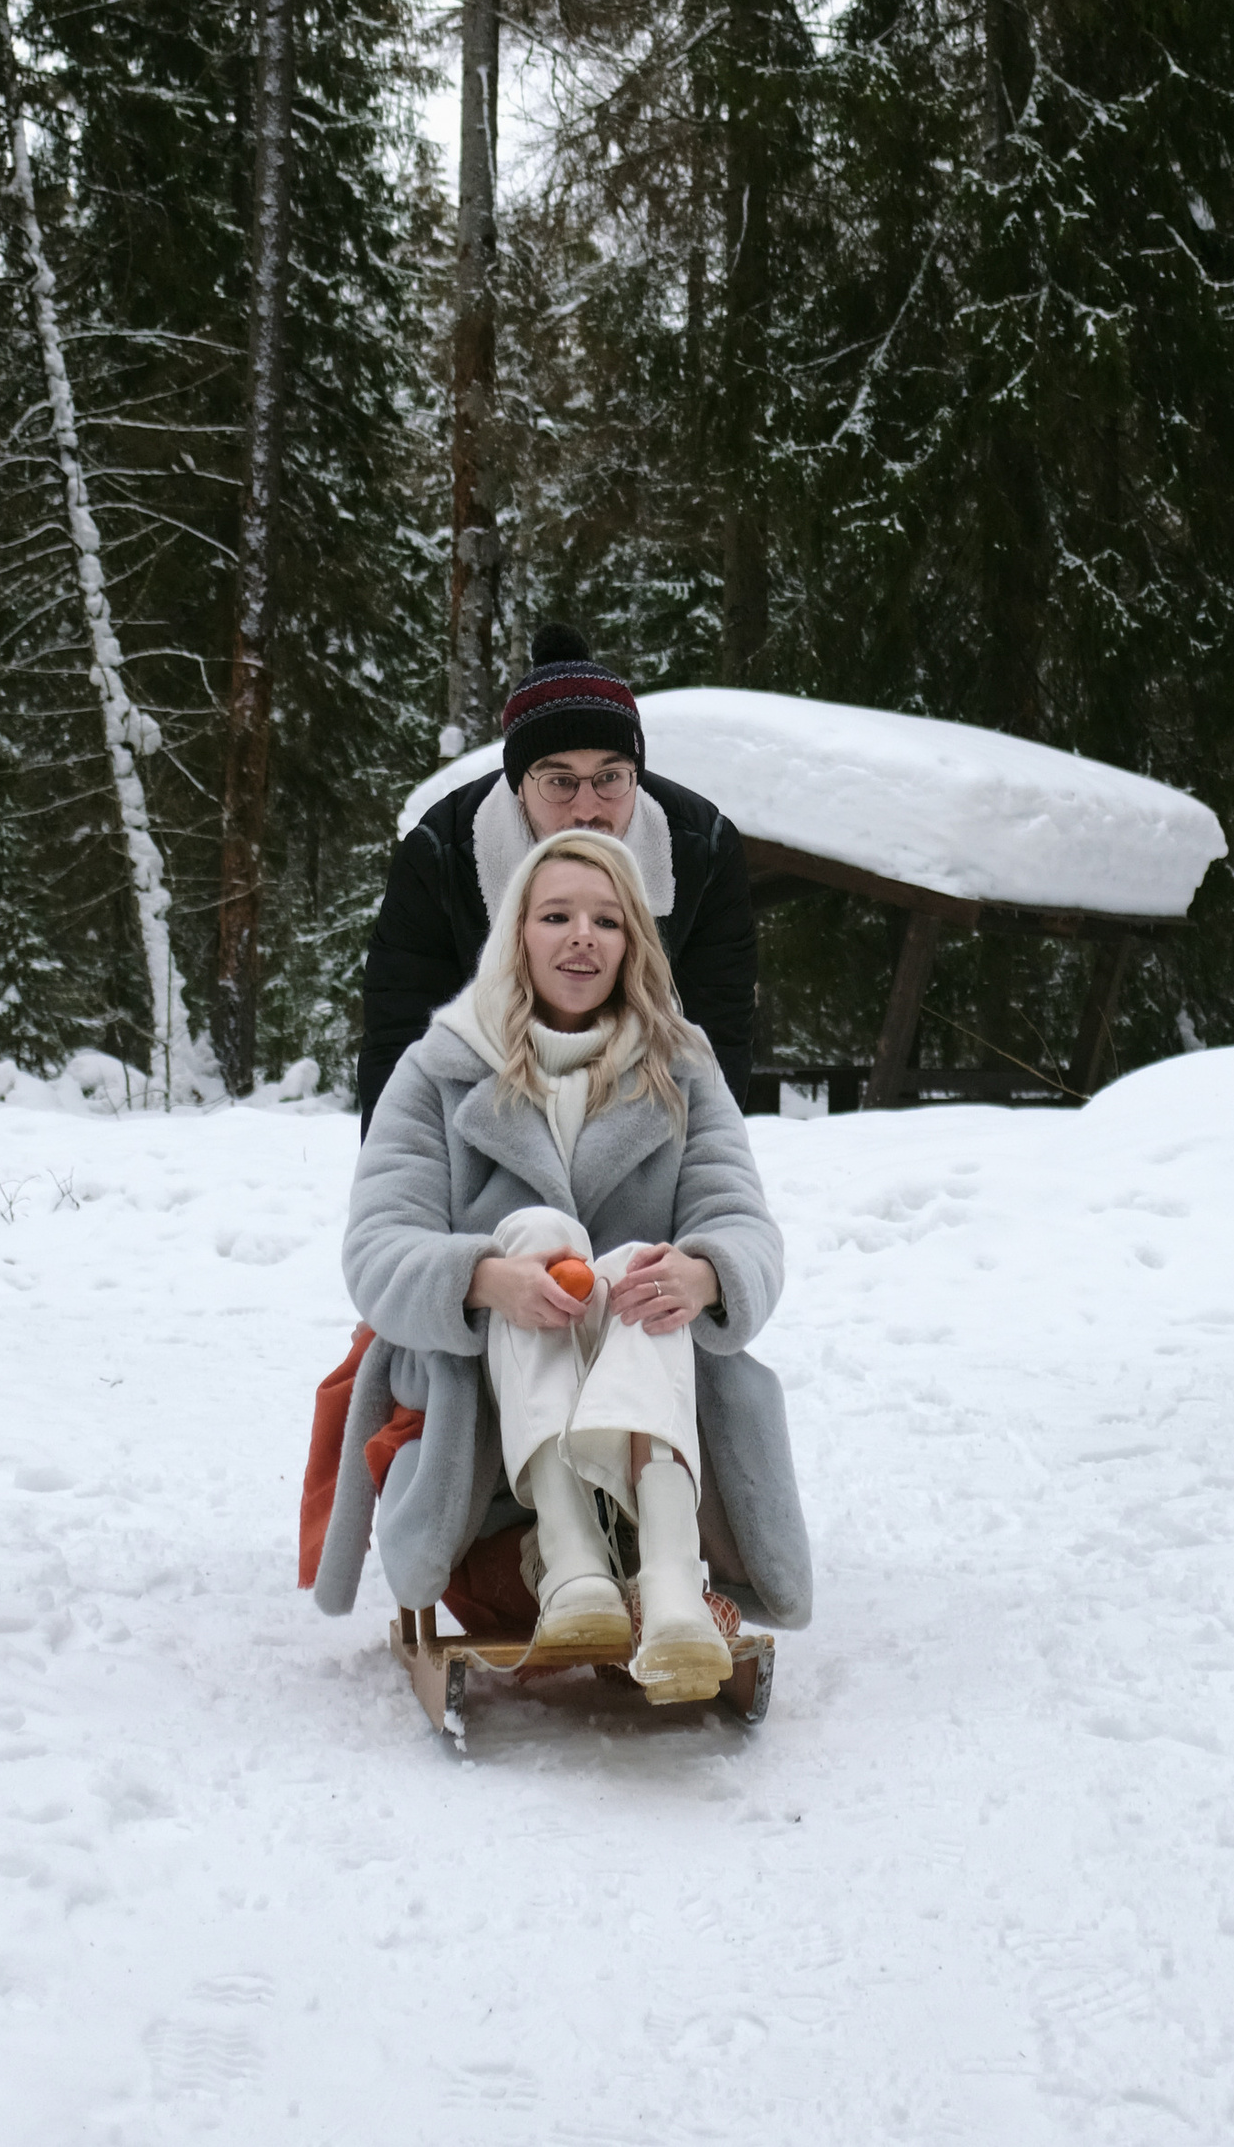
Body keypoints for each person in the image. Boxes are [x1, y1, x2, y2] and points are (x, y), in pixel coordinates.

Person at [318, 826, 810, 1700]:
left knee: (638, 1266)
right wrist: (481, 1281)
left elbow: (744, 1227)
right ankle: (571, 1558)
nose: (582, 936)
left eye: (607, 921)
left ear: (633, 945)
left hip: (649, 1396)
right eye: (556, 916)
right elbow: (376, 1247)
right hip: (487, 1413)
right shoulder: (438, 1071)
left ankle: (667, 1574)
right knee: (535, 1232)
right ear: (517, 933)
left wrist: (705, 1274)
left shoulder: (683, 1068)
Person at [358, 623, 756, 1125]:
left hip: (643, 1119)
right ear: (518, 784)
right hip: (484, 1119)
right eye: (560, 781)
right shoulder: (443, 855)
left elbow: (718, 1043)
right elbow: (399, 1045)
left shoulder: (701, 850)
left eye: (610, 777)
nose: (587, 809)